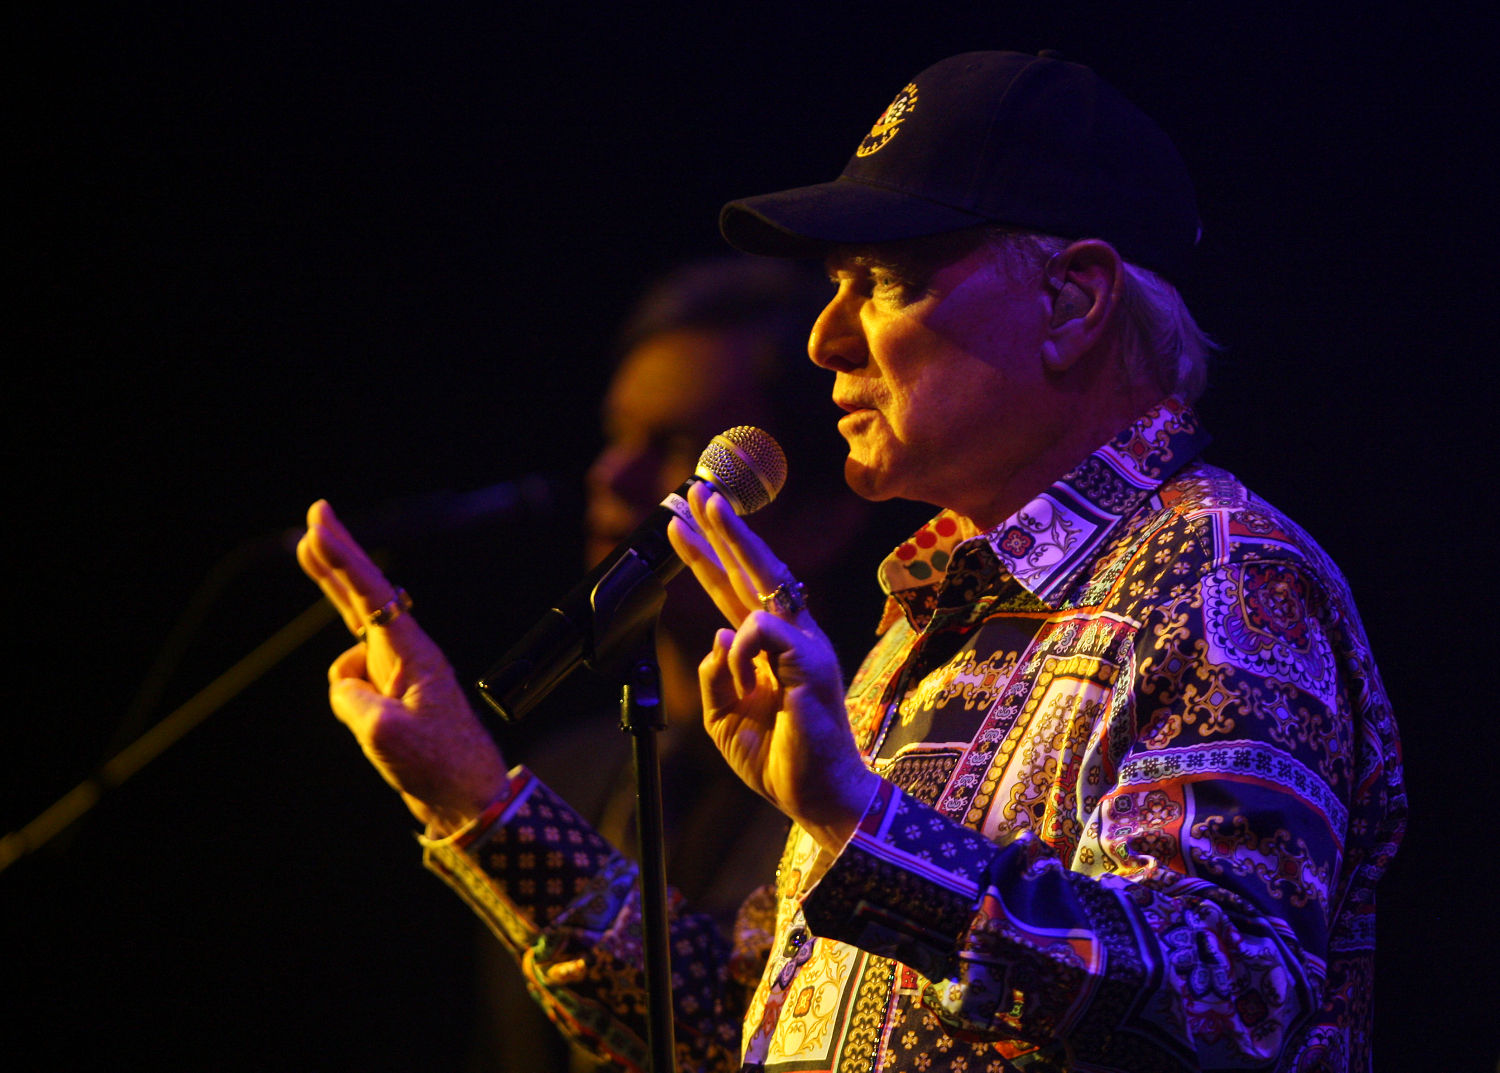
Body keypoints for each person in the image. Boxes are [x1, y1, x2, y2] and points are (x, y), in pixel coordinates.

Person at [298, 51, 1406, 1073]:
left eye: (880, 280)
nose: (826, 338)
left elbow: (1231, 1007)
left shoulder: (1220, 577)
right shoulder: (924, 626)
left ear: (1071, 299)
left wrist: (856, 823)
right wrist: (482, 801)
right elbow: (743, 1031)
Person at [467, 254, 896, 1073]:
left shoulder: (864, 786)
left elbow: (735, 1042)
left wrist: (474, 797)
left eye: (673, 449)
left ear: (822, 518)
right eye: (615, 436)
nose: (611, 475)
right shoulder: (564, 773)